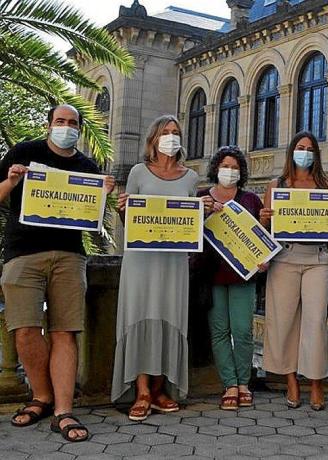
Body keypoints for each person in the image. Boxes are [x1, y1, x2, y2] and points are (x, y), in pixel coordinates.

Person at [0, 105, 115, 442]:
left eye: (72, 123)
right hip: (22, 254)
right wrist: (11, 180)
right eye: (60, 122)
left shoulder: (87, 166)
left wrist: (102, 193)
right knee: (24, 330)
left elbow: (90, 215)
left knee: (66, 331)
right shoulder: (25, 153)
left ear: (80, 129)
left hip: (70, 257)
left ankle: (63, 411)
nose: (66, 127)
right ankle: (41, 397)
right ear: (49, 125)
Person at [112, 115, 209, 421]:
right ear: (152, 140)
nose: (170, 137)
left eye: (176, 132)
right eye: (165, 132)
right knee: (140, 317)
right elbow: (130, 223)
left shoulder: (191, 177)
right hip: (141, 261)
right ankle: (140, 390)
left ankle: (159, 389)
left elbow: (193, 226)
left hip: (174, 262)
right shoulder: (139, 172)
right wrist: (122, 210)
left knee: (169, 319)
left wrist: (204, 211)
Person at [259, 131, 328, 411]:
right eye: (300, 147)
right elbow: (266, 231)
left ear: (316, 154)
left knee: (315, 322)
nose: (304, 152)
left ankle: (316, 382)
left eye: (309, 148)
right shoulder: (276, 185)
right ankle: (291, 380)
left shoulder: (326, 185)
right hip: (284, 257)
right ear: (292, 151)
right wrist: (263, 219)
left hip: (318, 258)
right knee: (284, 322)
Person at [196, 146, 265, 410]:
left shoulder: (250, 200)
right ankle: (230, 384)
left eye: (235, 167)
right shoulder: (201, 197)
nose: (230, 171)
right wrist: (203, 212)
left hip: (242, 276)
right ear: (216, 168)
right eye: (225, 166)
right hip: (210, 274)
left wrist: (264, 259)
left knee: (243, 330)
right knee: (219, 331)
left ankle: (244, 383)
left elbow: (261, 237)